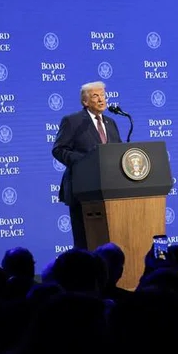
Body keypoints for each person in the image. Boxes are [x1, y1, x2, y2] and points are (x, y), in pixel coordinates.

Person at [52, 80, 122, 249]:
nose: (101, 99)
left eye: (103, 95)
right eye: (95, 96)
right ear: (85, 101)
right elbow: (59, 149)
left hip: (110, 190)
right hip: (82, 189)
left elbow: (117, 151)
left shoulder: (111, 123)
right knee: (85, 242)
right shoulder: (73, 121)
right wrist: (86, 162)